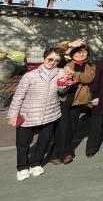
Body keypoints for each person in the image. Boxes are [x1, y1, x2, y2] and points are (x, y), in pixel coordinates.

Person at [7, 47, 70, 180]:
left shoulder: (60, 73)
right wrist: (13, 115)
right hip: (28, 114)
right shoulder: (30, 75)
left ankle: (36, 163)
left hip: (50, 113)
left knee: (44, 141)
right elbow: (18, 96)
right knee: (23, 142)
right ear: (43, 58)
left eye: (56, 60)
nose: (53, 62)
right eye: (50, 59)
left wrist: (66, 81)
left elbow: (62, 91)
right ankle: (22, 167)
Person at [50, 44, 96, 165]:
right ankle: (56, 154)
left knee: (72, 128)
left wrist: (74, 73)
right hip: (63, 99)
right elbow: (58, 50)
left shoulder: (91, 66)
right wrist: (69, 44)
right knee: (62, 127)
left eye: (83, 52)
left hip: (78, 102)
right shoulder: (64, 63)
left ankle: (68, 153)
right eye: (77, 52)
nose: (80, 55)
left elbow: (88, 78)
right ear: (72, 54)